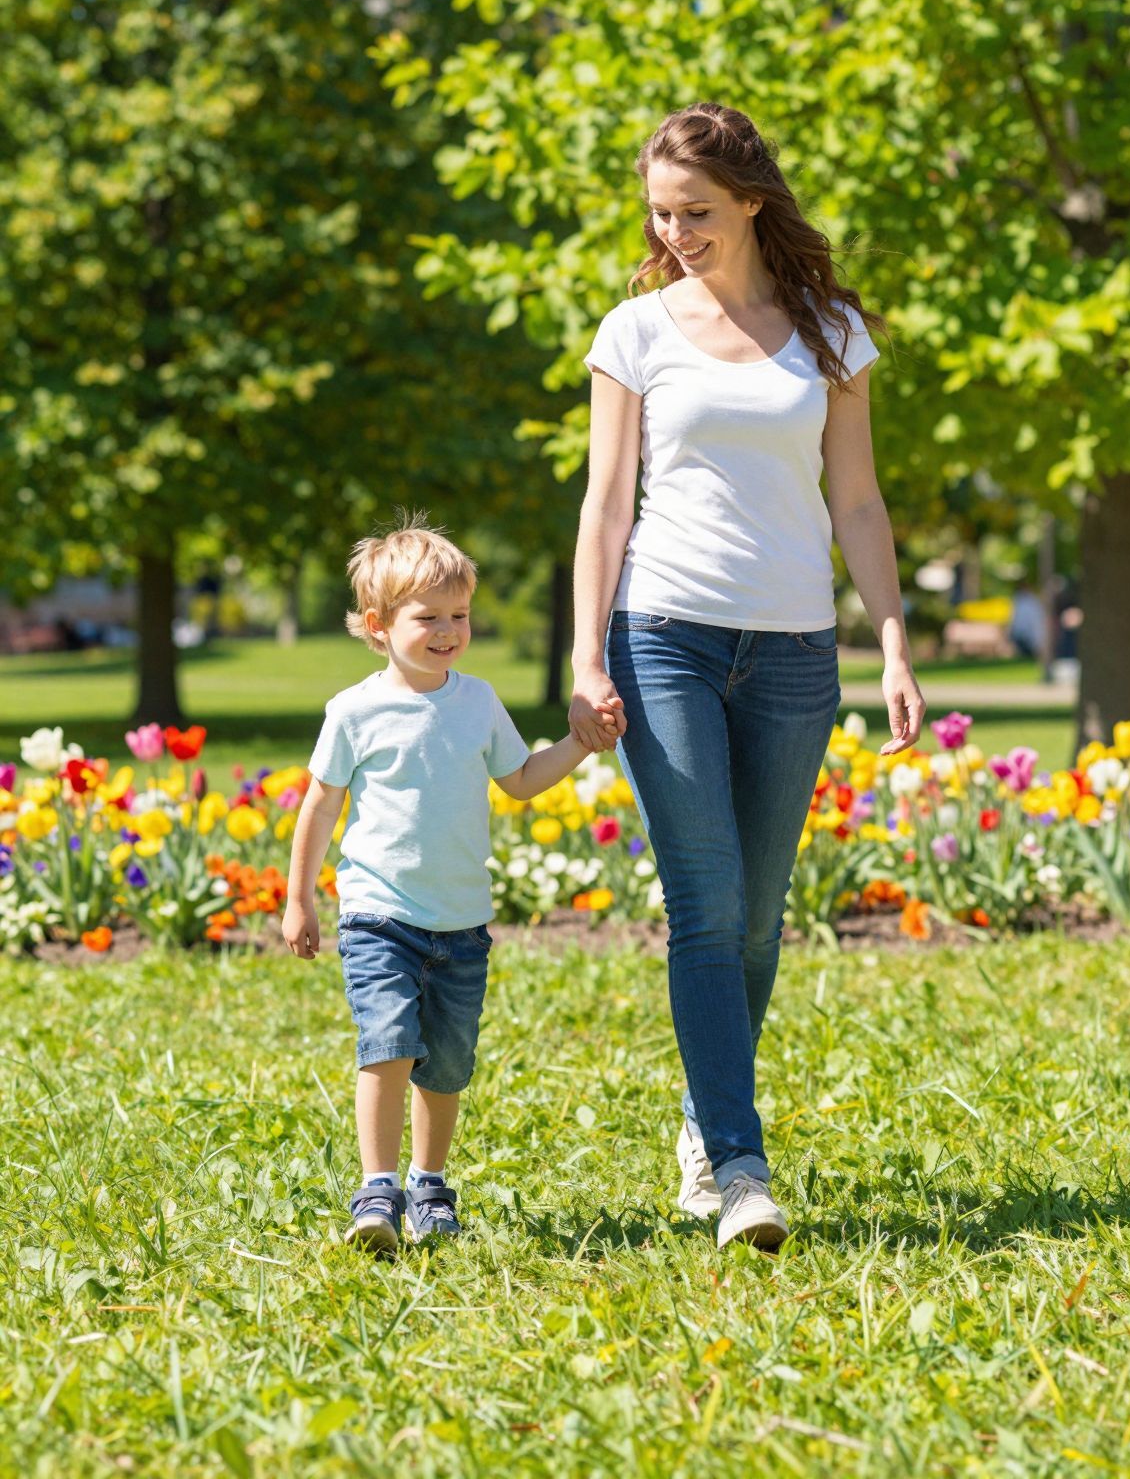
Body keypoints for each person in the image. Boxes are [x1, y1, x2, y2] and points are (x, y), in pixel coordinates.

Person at [569, 103, 926, 1253]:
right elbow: (606, 504)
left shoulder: (830, 330)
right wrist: (585, 651)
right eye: (661, 213)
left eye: (699, 212)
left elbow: (858, 499)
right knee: (706, 903)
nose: (676, 233)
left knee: (760, 917)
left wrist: (894, 635)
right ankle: (738, 1163)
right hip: (662, 631)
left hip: (792, 648)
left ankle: (701, 1116)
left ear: (753, 201)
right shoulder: (634, 331)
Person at [283, 516, 603, 1254]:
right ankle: (378, 1188)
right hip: (378, 916)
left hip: (461, 923)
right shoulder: (355, 711)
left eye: (460, 615)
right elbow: (320, 805)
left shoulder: (478, 701)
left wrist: (580, 744)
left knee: (447, 1065)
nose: (449, 630)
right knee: (387, 1044)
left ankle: (430, 1183)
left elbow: (521, 781)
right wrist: (299, 897)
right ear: (377, 625)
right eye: (428, 618)